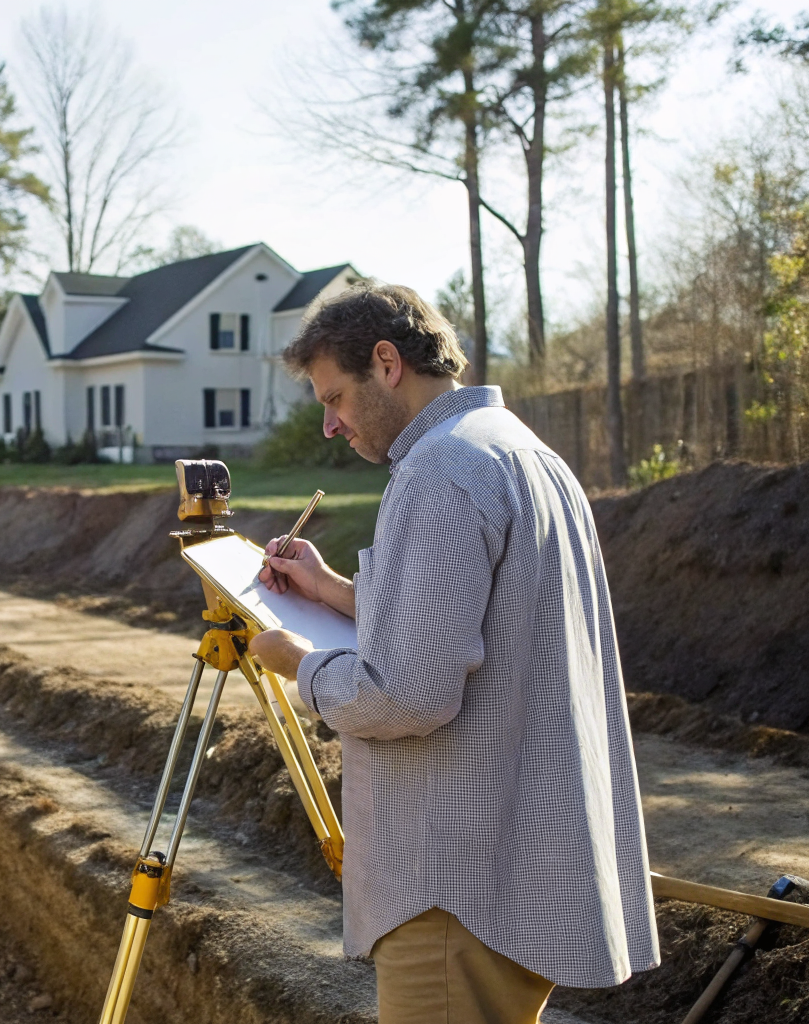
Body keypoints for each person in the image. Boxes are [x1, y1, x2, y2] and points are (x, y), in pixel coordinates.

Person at [248, 283, 658, 1024]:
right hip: (515, 861)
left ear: (387, 361)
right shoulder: (521, 452)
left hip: (454, 883)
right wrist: (334, 589)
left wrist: (296, 663)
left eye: (335, 398)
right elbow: (480, 618)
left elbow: (407, 695)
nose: (331, 426)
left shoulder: (435, 471)